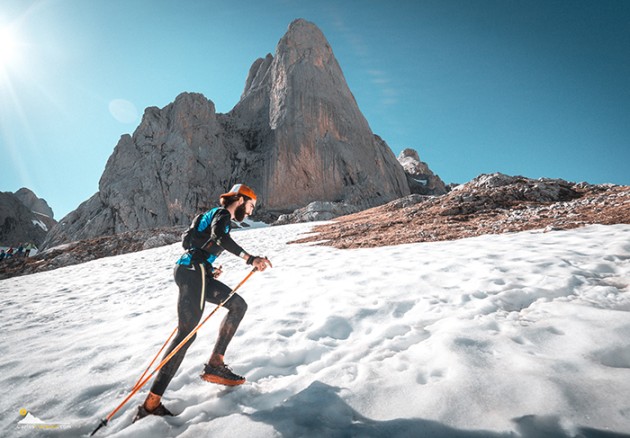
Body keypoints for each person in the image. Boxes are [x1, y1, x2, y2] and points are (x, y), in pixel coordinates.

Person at [135, 184, 272, 421]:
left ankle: (215, 364)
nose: (250, 212)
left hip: (196, 271)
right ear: (240, 200)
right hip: (191, 271)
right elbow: (220, 237)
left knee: (238, 305)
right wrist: (250, 259)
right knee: (186, 334)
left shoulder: (215, 216)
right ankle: (150, 405)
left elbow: (196, 243)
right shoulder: (222, 215)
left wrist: (208, 269)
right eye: (250, 206)